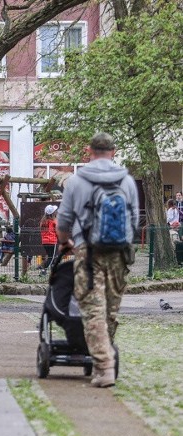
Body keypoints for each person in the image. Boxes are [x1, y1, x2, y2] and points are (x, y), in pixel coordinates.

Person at [56, 132, 139, 388]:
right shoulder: (126, 180)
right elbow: (134, 221)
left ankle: (104, 368)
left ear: (88, 151)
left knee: (93, 311)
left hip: (87, 252)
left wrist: (67, 242)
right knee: (110, 311)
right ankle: (105, 356)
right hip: (119, 254)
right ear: (113, 151)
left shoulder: (76, 181)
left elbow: (63, 223)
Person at [39, 204, 58, 273]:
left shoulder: (43, 221)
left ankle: (53, 270)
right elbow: (57, 230)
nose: (56, 212)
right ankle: (43, 269)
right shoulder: (54, 221)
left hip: (44, 241)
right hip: (52, 241)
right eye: (55, 211)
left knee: (51, 256)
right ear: (53, 213)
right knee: (51, 257)